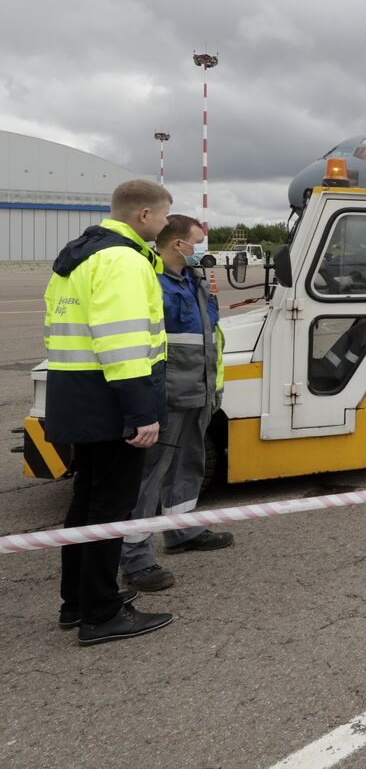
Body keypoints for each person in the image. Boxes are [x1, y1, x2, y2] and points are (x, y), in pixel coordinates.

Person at [45, 179, 174, 645]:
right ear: (143, 215)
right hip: (112, 400)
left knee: (86, 504)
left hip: (78, 396)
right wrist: (141, 413)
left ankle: (76, 602)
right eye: (162, 217)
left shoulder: (79, 255)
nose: (163, 226)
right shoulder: (122, 260)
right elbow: (121, 343)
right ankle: (100, 615)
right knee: (110, 509)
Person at [120, 215, 233, 592]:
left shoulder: (195, 281)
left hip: (197, 393)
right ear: (177, 244)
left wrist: (211, 390)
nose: (203, 249)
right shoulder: (153, 284)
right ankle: (135, 558)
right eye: (198, 242)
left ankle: (181, 531)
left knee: (188, 465)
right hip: (166, 397)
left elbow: (207, 337)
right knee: (148, 477)